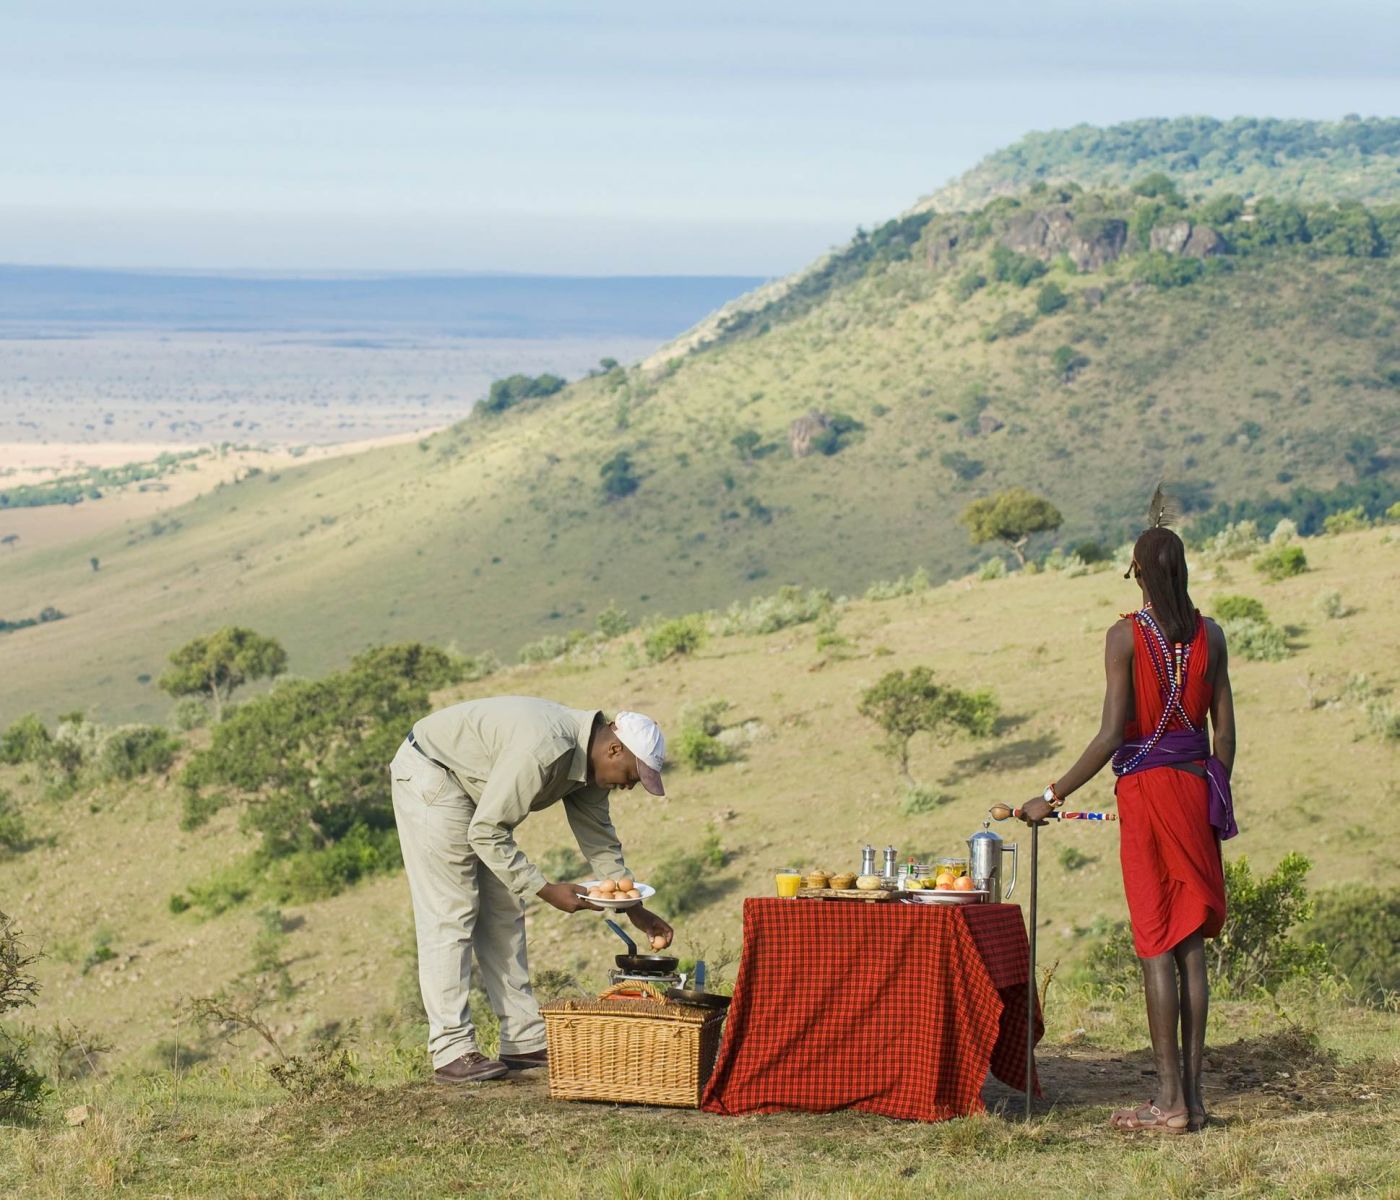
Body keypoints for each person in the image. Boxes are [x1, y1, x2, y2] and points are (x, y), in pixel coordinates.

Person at [1019, 519, 1236, 1134]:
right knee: (1190, 944)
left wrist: (1049, 795)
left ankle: (1167, 1104)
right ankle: (1192, 1103)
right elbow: (1227, 734)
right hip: (1196, 793)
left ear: (1138, 572)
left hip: (1144, 795)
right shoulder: (1211, 636)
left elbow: (1113, 734)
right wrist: (1211, 788)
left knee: (1155, 944)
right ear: (1182, 572)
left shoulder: (1124, 637)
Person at [390, 696, 674, 1084]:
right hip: (434, 774)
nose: (629, 785)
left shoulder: (590, 768)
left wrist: (634, 909)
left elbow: (600, 841)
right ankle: (451, 1048)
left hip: (477, 791)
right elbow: (487, 832)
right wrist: (547, 890)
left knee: (505, 909)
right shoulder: (546, 749)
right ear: (614, 748)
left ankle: (522, 1040)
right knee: (452, 911)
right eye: (633, 774)